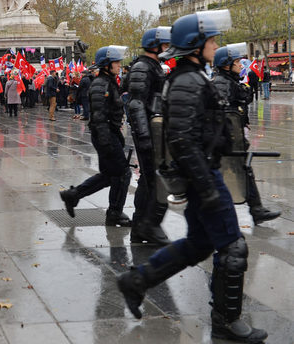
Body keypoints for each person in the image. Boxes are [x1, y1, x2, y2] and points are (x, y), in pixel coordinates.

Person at [117, 10, 268, 343]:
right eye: (211, 39)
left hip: (204, 172)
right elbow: (183, 140)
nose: (216, 44)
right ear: (196, 45)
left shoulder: (194, 76)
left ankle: (137, 280)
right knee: (233, 247)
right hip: (203, 176)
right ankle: (227, 323)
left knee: (200, 243)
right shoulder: (187, 80)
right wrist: (206, 187)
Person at [59, 45, 132, 227]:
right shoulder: (101, 85)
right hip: (105, 135)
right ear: (106, 64)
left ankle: (73, 195)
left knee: (110, 175)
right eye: (116, 62)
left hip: (109, 134)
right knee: (123, 174)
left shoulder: (109, 81)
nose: (119, 65)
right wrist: (107, 143)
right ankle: (114, 212)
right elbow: (99, 116)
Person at [213, 43, 280, 225]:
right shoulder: (222, 83)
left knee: (243, 170)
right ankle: (250, 210)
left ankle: (255, 209)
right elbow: (224, 113)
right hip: (226, 141)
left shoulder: (230, 80)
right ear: (227, 65)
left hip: (231, 139)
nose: (241, 65)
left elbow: (243, 99)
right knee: (228, 173)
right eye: (237, 62)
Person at [126, 27, 172, 246]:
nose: (167, 49)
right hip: (147, 133)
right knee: (150, 180)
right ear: (155, 45)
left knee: (150, 179)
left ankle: (141, 227)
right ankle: (143, 226)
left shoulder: (151, 66)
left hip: (153, 131)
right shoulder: (143, 67)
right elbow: (136, 103)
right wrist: (145, 136)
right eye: (164, 45)